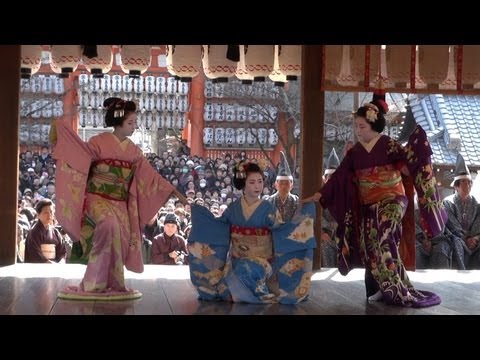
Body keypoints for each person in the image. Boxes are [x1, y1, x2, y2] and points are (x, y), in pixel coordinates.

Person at [303, 91, 446, 308]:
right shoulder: (355, 153)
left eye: (362, 126)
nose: (358, 131)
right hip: (369, 203)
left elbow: (406, 167)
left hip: (392, 198)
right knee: (369, 244)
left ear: (373, 125)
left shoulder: (388, 144)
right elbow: (340, 175)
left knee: (383, 236)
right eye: (356, 126)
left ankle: (393, 288)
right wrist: (321, 193)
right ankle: (383, 287)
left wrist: (418, 158)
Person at [51, 97, 186, 300]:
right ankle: (93, 282)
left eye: (134, 122)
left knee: (119, 237)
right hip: (97, 197)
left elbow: (150, 176)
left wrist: (172, 191)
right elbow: (79, 154)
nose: (134, 127)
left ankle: (114, 282)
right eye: (130, 123)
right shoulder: (98, 142)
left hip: (120, 201)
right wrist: (62, 135)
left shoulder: (134, 151)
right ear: (118, 121)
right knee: (108, 224)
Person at [188, 160, 317, 304]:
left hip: (262, 263)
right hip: (236, 260)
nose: (258, 186)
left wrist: (305, 216)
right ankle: (245, 292)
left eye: (260, 181)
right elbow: (217, 227)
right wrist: (199, 214)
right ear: (243, 184)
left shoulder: (269, 209)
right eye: (252, 182)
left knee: (246, 270)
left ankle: (250, 292)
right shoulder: (233, 208)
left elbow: (283, 232)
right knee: (224, 287)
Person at [443, 153, 480, 269]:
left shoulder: (477, 204)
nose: (467, 184)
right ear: (456, 186)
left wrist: (475, 238)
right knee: (457, 242)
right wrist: (465, 239)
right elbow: (452, 226)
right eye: (463, 182)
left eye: (469, 182)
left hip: (473, 239)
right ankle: (462, 274)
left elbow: (478, 225)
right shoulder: (448, 202)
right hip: (457, 238)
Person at [24, 199, 67, 264]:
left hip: (55, 267)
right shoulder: (34, 232)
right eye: (46, 212)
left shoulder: (55, 231)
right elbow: (35, 255)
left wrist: (61, 262)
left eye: (51, 212)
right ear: (38, 214)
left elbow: (62, 252)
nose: (49, 215)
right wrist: (51, 265)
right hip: (39, 269)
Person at [320, 148, 340, 268]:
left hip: (342, 235)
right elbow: (317, 217)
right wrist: (322, 232)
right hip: (326, 235)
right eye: (329, 177)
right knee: (323, 246)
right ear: (324, 179)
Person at [267, 151, 299, 223]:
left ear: (292, 185)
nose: (284, 186)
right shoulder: (269, 201)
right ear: (275, 185)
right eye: (281, 183)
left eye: (287, 183)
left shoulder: (297, 201)